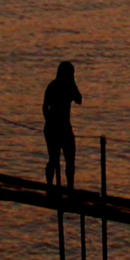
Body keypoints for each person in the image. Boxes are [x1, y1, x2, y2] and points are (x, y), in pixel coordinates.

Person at [43, 61, 82, 190]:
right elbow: (45, 107)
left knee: (70, 160)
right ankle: (49, 186)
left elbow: (79, 100)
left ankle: (70, 187)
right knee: (53, 160)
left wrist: (73, 84)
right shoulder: (53, 87)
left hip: (65, 127)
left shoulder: (69, 87)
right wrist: (49, 121)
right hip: (54, 128)